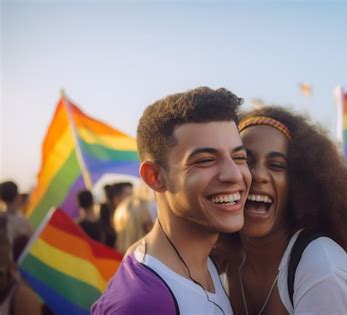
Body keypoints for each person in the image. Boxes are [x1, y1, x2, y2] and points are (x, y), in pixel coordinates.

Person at [91, 87, 251, 314]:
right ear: (154, 177)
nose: (234, 174)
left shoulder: (210, 262)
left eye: (239, 157)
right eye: (205, 160)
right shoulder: (143, 302)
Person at [215, 106, 347, 315]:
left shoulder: (321, 267)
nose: (258, 175)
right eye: (246, 161)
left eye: (276, 165)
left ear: (301, 183)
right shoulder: (216, 262)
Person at [0, 181, 32, 258]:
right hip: (13, 266)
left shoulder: (2, 217)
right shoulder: (21, 222)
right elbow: (32, 243)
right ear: (17, 196)